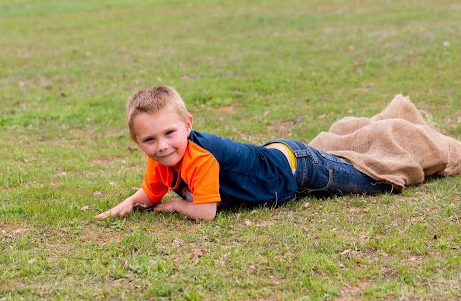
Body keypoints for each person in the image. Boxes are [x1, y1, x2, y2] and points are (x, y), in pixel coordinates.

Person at [96, 86, 395, 222]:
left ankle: (407, 150)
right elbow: (149, 193)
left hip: (297, 169)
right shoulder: (161, 160)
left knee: (378, 181)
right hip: (276, 162)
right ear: (137, 142)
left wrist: (175, 206)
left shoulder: (200, 158)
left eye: (169, 134)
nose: (161, 145)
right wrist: (120, 208)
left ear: (187, 125)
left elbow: (205, 212)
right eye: (149, 139)